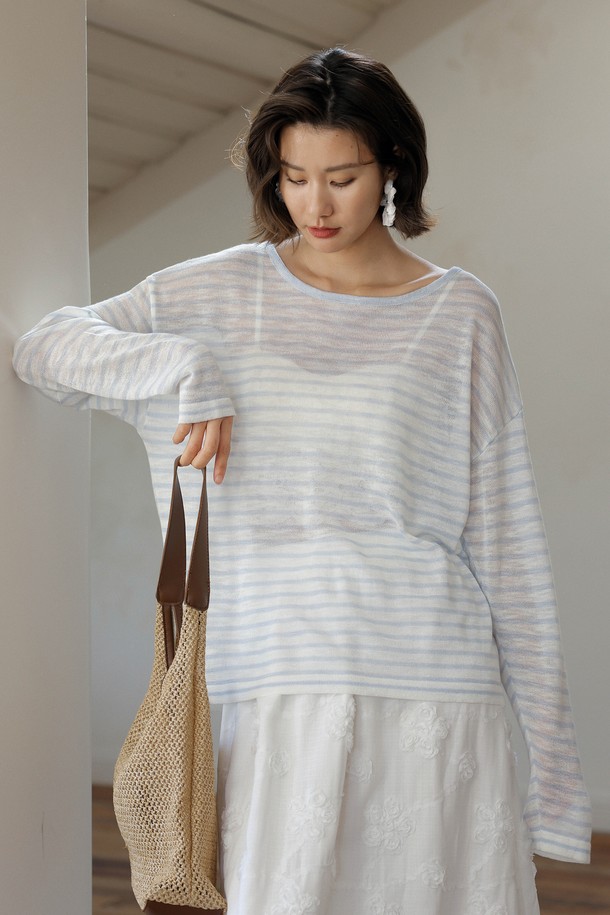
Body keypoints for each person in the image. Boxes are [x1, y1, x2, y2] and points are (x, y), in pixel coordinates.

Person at [13, 47, 590, 914]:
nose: (314, 206)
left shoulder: (460, 312)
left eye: (343, 179)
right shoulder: (217, 292)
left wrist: (554, 786)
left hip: (434, 690)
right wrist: (186, 363)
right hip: (269, 688)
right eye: (293, 177)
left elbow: (509, 546)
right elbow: (45, 348)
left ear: (393, 167)